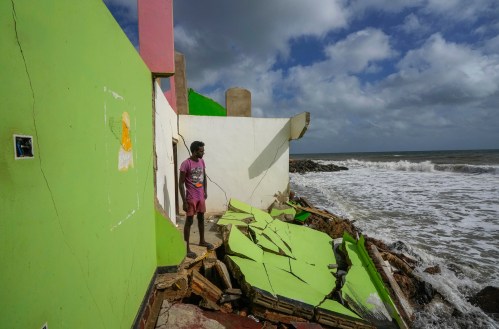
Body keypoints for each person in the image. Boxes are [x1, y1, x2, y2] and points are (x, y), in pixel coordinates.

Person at [179, 141, 213, 258]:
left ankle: (202, 240)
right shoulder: (185, 164)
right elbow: (180, 183)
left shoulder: (202, 161)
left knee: (201, 218)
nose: (203, 153)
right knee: (189, 221)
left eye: (203, 150)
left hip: (200, 196)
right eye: (201, 151)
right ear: (194, 151)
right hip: (191, 197)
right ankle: (186, 248)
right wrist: (184, 201)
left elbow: (204, 177)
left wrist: (205, 191)